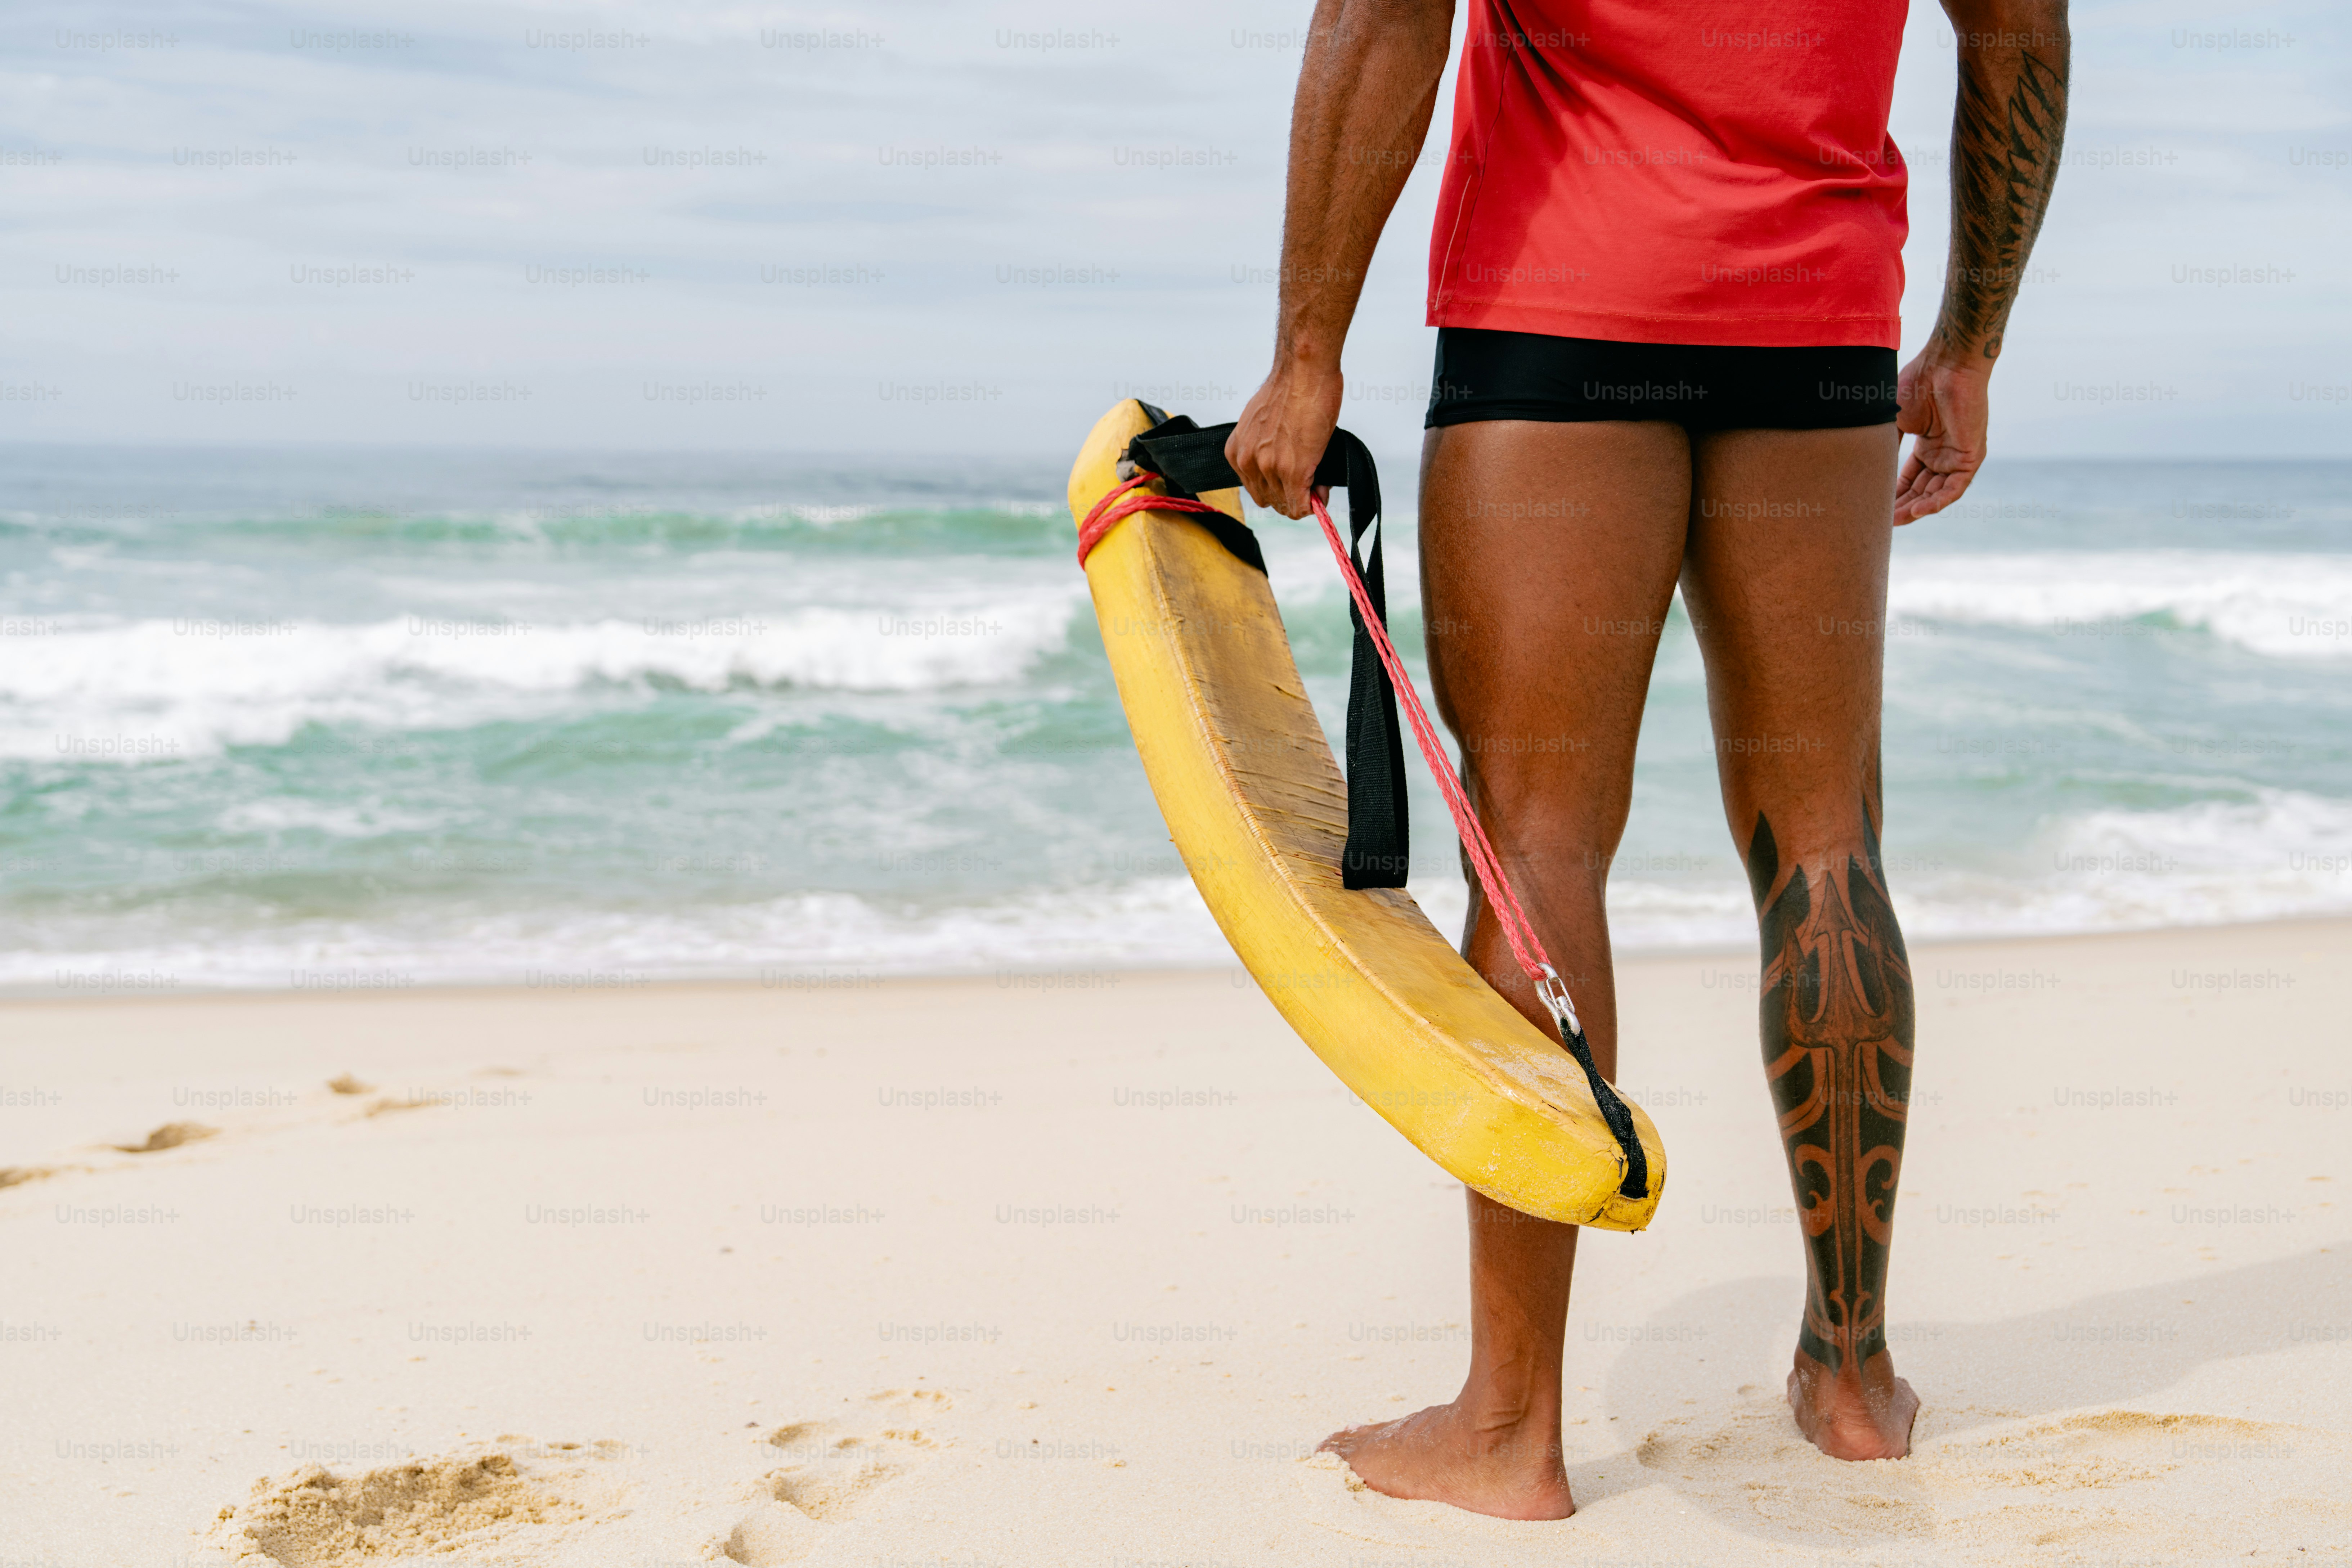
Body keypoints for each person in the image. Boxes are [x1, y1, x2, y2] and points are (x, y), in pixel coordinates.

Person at [1225, 0, 2069, 1521]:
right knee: (1824, 839)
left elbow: (1384, 18)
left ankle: (1510, 1426)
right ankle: (1856, 1378)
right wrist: (1969, 342)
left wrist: (1305, 352)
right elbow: (2020, 32)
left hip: (1560, 316)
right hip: (1813, 327)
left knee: (1540, 842)